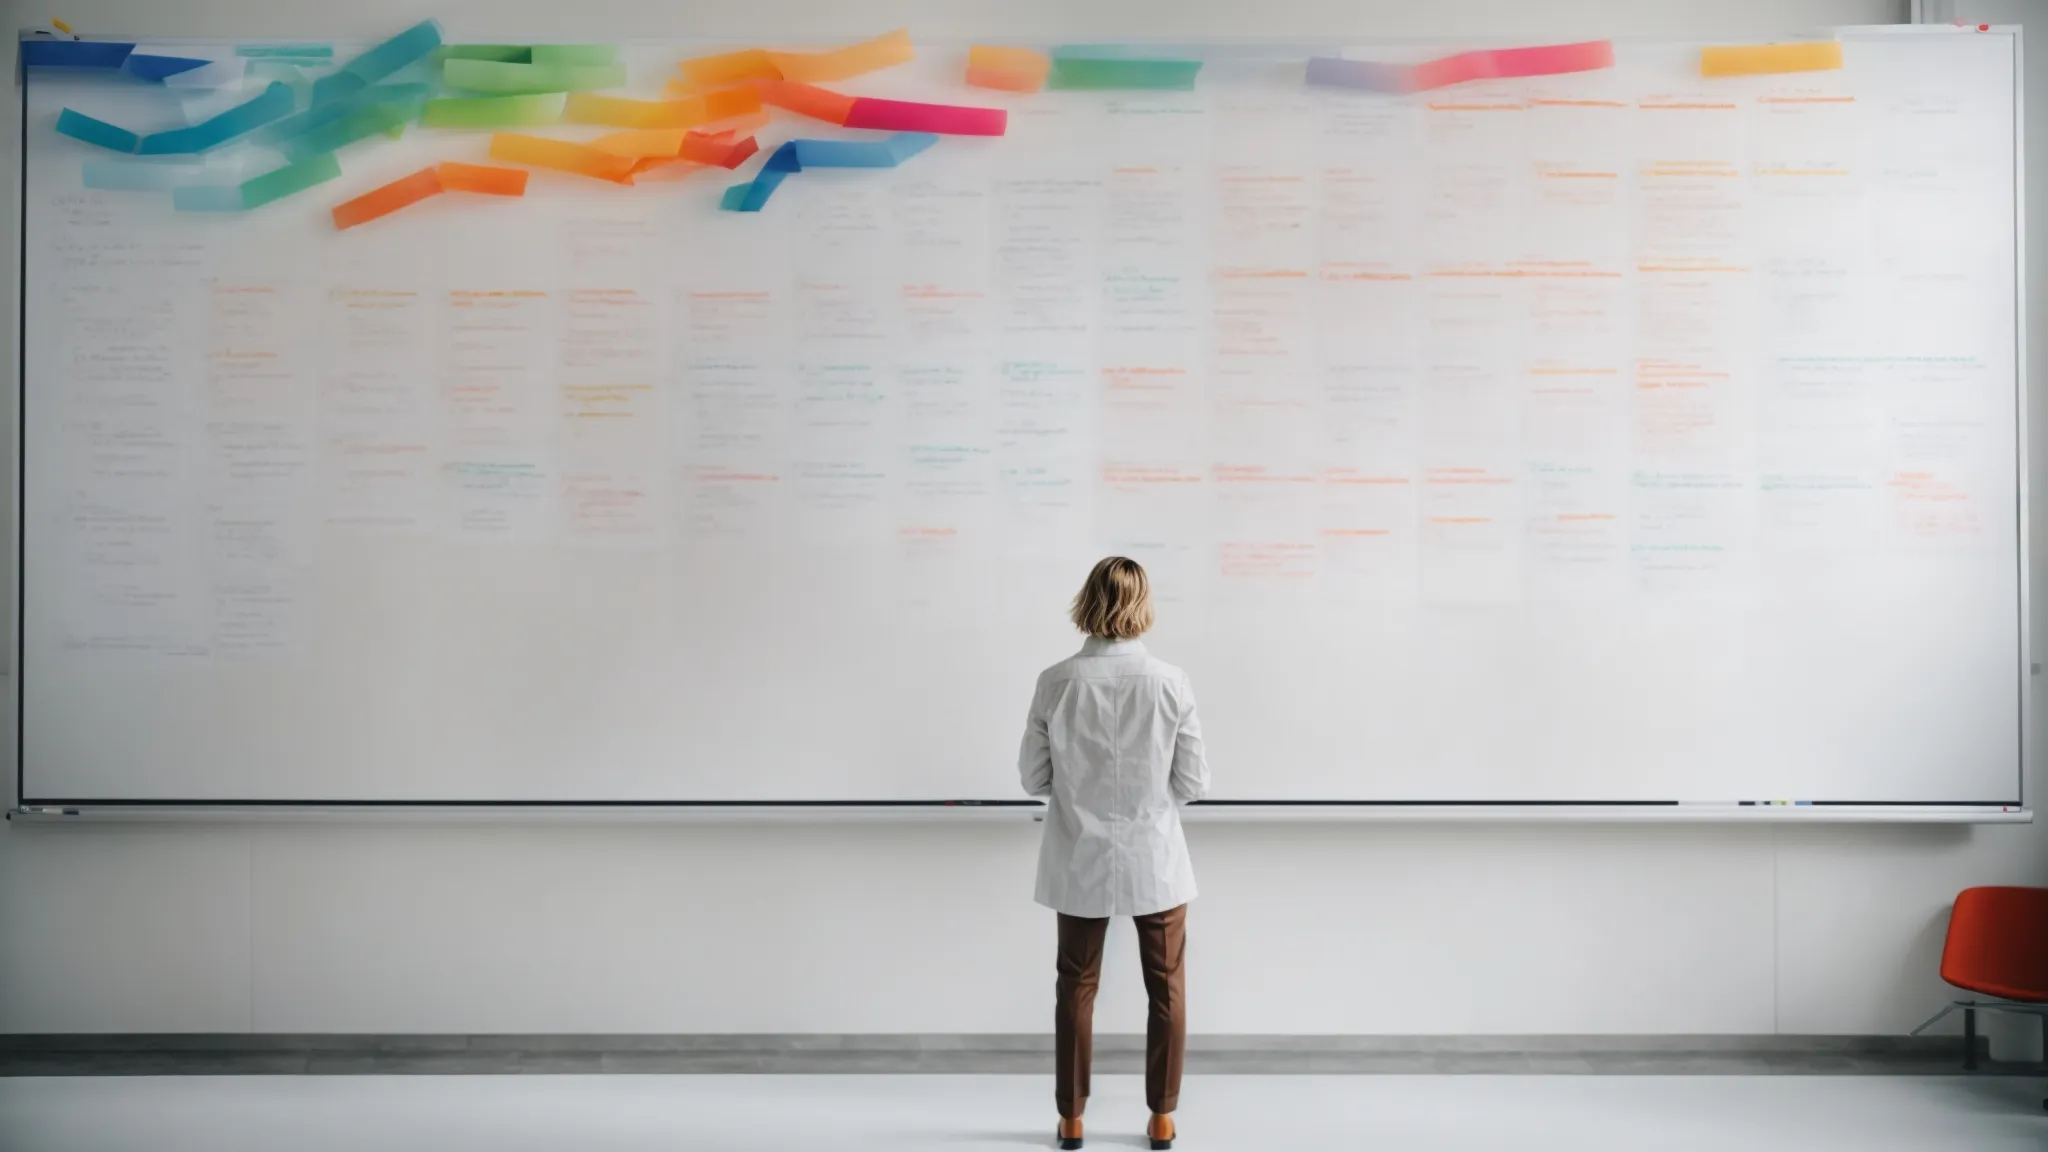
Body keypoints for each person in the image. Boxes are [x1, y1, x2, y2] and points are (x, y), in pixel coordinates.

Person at [1018, 556, 1210, 1151]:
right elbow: (1194, 781)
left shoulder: (1056, 681)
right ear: (1143, 603)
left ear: (1088, 600)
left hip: (1080, 853)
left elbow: (1032, 777)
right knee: (1168, 987)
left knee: (1075, 985)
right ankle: (1161, 1118)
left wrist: (1079, 790)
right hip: (1155, 855)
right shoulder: (1171, 682)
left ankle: (1071, 1119)